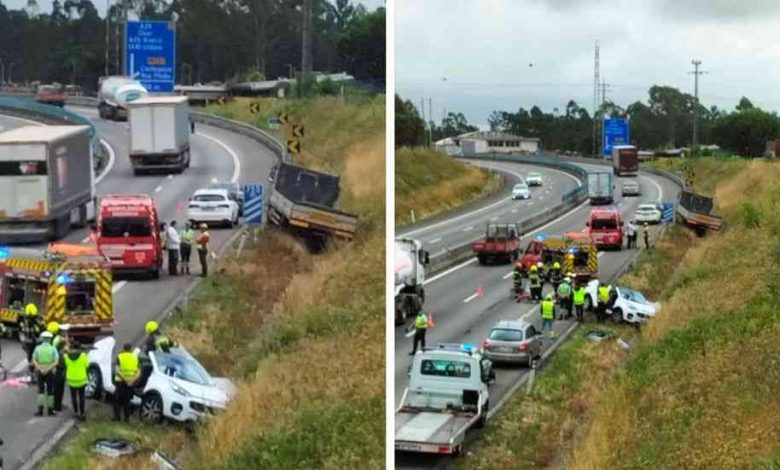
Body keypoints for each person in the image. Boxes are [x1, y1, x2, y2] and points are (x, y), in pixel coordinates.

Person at [32, 331, 58, 416]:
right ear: (50, 339)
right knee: (50, 391)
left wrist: (40, 368)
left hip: (40, 371)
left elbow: (34, 360)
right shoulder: (53, 349)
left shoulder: (37, 348)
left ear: (42, 339)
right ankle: (50, 410)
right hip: (50, 371)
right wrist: (48, 369)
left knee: (41, 390)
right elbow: (56, 361)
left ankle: (40, 410)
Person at [113, 343, 139, 422]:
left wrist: (125, 379)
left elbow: (117, 371)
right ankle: (126, 419)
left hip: (120, 382)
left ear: (124, 349)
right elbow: (138, 372)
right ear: (131, 349)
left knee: (117, 400)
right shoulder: (135, 358)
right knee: (127, 401)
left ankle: (117, 417)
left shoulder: (120, 357)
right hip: (130, 383)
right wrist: (132, 380)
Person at [64, 342, 88, 421]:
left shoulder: (67, 356)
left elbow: (66, 364)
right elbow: (87, 365)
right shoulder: (83, 355)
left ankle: (75, 412)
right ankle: (82, 413)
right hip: (81, 379)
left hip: (71, 379)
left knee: (73, 396)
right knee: (81, 397)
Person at [19, 303, 44, 379]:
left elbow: (21, 332)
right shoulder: (37, 321)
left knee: (30, 357)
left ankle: (32, 372)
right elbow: (42, 329)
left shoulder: (23, 321)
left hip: (29, 342)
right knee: (35, 357)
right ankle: (34, 373)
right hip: (34, 342)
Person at [48, 322, 67, 412]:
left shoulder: (52, 340)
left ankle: (57, 405)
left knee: (57, 387)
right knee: (58, 387)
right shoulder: (58, 340)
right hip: (58, 365)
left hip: (55, 365)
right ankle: (57, 406)